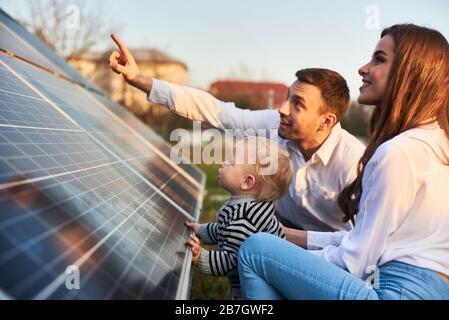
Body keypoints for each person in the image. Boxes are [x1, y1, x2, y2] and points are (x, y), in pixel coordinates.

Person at [236, 24, 449, 300]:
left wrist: (285, 261)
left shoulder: (398, 153)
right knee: (270, 246)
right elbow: (365, 238)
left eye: (379, 59)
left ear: (411, 73)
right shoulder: (438, 143)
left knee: (256, 250)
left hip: (394, 292)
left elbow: (356, 261)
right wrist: (285, 236)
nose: (363, 68)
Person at [108, 34, 366, 233]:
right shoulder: (274, 125)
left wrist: (284, 237)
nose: (282, 108)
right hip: (278, 230)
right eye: (287, 97)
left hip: (328, 254)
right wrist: (138, 79)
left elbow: (360, 242)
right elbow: (214, 110)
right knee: (242, 218)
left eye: (297, 104)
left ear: (326, 121)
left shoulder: (354, 162)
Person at [184, 136, 292, 298]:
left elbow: (233, 261)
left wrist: (202, 257)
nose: (223, 163)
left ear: (247, 182)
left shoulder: (245, 219)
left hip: (256, 288)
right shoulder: (245, 206)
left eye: (230, 163)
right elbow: (225, 229)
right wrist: (201, 230)